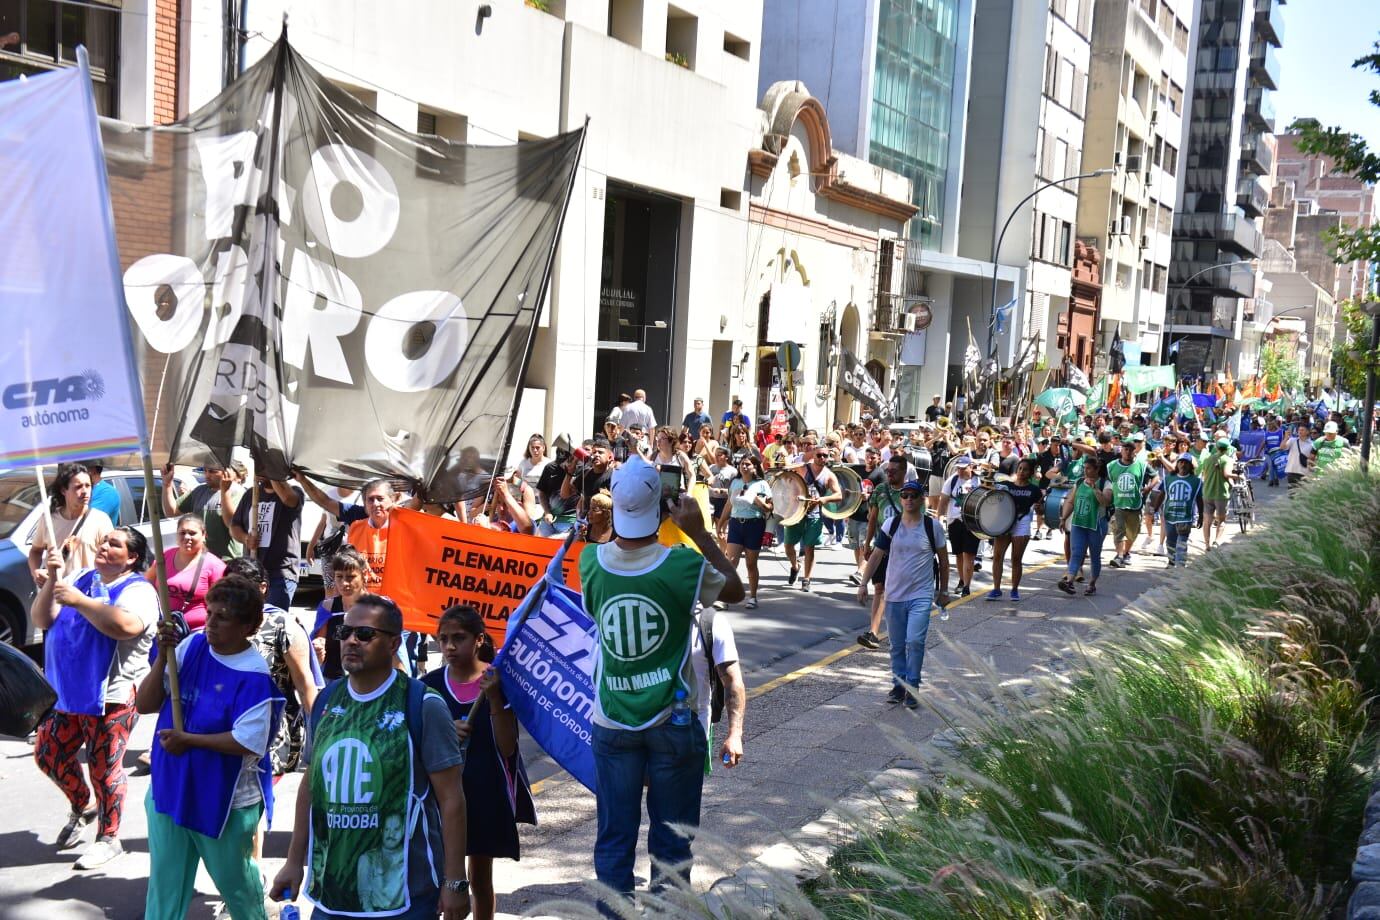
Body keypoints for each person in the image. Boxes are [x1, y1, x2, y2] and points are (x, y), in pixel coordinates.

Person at [580, 455, 744, 916]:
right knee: (671, 845)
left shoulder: (590, 562)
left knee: (614, 837)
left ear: (614, 509)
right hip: (673, 721)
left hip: (612, 720)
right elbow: (734, 592)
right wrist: (698, 532)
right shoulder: (681, 565)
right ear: (663, 506)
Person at [270, 594, 471, 920]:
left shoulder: (421, 705)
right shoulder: (326, 701)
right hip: (332, 896)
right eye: (345, 632)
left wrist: (455, 882)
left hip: (406, 896)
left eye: (364, 634)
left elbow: (452, 800)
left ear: (393, 645)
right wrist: (294, 861)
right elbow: (312, 784)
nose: (350, 640)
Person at [136, 574, 284, 920]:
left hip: (225, 804)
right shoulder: (191, 647)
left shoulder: (254, 676)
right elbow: (144, 704)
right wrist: (163, 656)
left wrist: (189, 740)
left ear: (248, 626)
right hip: (170, 787)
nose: (211, 622)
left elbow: (248, 742)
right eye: (210, 611)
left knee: (238, 889)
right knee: (165, 883)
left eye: (223, 616)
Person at [31, 527, 157, 869]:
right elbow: (42, 618)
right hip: (68, 694)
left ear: (131, 557)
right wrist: (54, 578)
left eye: (114, 544)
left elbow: (125, 627)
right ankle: (82, 805)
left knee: (104, 769)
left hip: (111, 697)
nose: (103, 546)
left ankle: (108, 837)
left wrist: (79, 600)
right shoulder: (82, 576)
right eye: (104, 541)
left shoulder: (138, 590)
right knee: (47, 753)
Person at [424, 606, 536, 920]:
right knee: (442, 874)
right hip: (441, 796)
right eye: (443, 639)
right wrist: (446, 732)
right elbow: (418, 745)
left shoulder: (496, 681)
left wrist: (495, 699)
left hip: (484, 791)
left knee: (480, 878)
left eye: (458, 638)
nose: (449, 646)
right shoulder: (429, 685)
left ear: (479, 640)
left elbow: (507, 746)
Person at [855, 479, 950, 709]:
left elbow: (944, 561)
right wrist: (863, 582)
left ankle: (913, 687)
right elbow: (877, 555)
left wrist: (944, 591)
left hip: (921, 594)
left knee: (915, 641)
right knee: (897, 645)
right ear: (901, 499)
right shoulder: (891, 524)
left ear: (921, 499)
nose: (908, 499)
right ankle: (898, 684)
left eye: (913, 496)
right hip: (894, 594)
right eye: (905, 496)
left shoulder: (932, 526)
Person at [230, 556, 322, 776]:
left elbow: (304, 683)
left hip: (271, 732)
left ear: (262, 588)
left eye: (241, 586)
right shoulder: (220, 623)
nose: (234, 594)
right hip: (227, 727)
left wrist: (321, 735)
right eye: (230, 586)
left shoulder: (281, 625)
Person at [28, 462, 114, 588]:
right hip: (54, 593)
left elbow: (111, 559)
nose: (85, 491)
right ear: (64, 490)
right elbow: (35, 551)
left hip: (86, 595)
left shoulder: (100, 520)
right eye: (78, 487)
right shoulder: (49, 519)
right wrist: (35, 572)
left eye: (88, 486)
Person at [230, 476, 305, 609]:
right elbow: (235, 525)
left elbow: (288, 499)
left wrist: (273, 473)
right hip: (253, 571)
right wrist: (245, 538)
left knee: (272, 620)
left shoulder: (294, 492)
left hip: (281, 572)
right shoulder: (251, 494)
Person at [856, 454, 906, 648]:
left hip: (904, 551)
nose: (889, 474)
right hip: (882, 547)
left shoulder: (911, 492)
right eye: (888, 471)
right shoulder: (880, 490)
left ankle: (900, 631)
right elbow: (872, 519)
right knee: (880, 588)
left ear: (903, 472)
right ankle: (873, 633)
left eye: (893, 471)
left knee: (900, 592)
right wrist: (867, 544)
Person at [151, 513, 226, 632]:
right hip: (164, 630)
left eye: (192, 533)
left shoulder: (215, 566)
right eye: (182, 533)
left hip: (198, 632)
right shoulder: (164, 557)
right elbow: (147, 583)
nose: (187, 537)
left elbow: (222, 605)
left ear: (204, 535)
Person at [783, 448, 842, 593]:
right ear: (813, 455)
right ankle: (795, 566)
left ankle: (806, 579)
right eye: (819, 455)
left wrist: (824, 499)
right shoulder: (803, 468)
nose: (822, 458)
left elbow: (839, 495)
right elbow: (785, 476)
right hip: (797, 511)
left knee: (809, 547)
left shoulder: (829, 475)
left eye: (825, 456)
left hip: (814, 515)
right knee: (788, 545)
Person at [717, 454, 772, 609]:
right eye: (742, 464)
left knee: (751, 563)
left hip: (754, 525)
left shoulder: (762, 484)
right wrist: (721, 524)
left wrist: (756, 499)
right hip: (736, 523)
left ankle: (753, 597)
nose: (744, 467)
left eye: (748, 464)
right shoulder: (735, 482)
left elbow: (769, 508)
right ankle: (725, 598)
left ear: (754, 467)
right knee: (731, 562)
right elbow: (729, 504)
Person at [162, 458, 243, 559]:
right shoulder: (200, 491)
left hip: (227, 561)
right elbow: (171, 511)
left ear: (227, 472)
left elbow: (231, 523)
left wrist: (224, 491)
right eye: (205, 471)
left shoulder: (236, 492)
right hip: (202, 559)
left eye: (213, 472)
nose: (207, 475)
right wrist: (167, 484)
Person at [987, 458, 1042, 602]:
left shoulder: (1034, 490)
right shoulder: (1005, 485)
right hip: (1005, 521)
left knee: (1016, 559)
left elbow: (1041, 511)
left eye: (1025, 469)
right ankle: (996, 589)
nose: (1022, 472)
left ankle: (1014, 589)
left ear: (1030, 473)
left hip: (1022, 522)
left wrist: (1039, 508)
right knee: (998, 556)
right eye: (1020, 468)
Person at [313, 547, 371, 681]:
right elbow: (319, 645)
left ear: (364, 576)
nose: (344, 583)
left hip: (368, 682)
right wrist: (318, 647)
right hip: (333, 681)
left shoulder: (378, 608)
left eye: (351, 577)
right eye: (339, 577)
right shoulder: (327, 607)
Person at [1057, 457, 1112, 597]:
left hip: (1096, 525)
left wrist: (1095, 489)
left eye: (1088, 468)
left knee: (1094, 555)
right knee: (1076, 552)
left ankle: (1092, 583)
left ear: (1097, 469)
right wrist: (1063, 518)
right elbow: (1070, 501)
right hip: (1079, 523)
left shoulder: (1105, 484)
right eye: (1084, 468)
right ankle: (1069, 581)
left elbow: (1106, 502)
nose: (1085, 471)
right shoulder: (1080, 482)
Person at [1106, 437, 1156, 569]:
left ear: (1135, 451)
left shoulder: (1142, 465)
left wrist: (1149, 487)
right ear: (1121, 450)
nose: (1128, 452)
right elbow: (1107, 482)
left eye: (1130, 450)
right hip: (1118, 504)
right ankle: (1119, 556)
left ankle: (1126, 552)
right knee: (1119, 531)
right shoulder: (1111, 466)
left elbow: (1156, 476)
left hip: (1135, 505)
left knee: (1133, 533)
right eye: (1125, 449)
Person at [938, 456, 980, 596]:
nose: (960, 471)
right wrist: (940, 520)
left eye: (963, 468)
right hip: (954, 520)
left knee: (969, 554)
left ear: (970, 467)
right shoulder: (952, 481)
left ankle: (967, 586)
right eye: (958, 468)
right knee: (959, 553)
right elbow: (943, 502)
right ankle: (962, 580)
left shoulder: (978, 480)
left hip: (972, 522)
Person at [1158, 456, 1203, 568]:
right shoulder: (1168, 478)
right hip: (1170, 515)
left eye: (1186, 463)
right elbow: (1161, 494)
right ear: (1177, 464)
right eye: (1181, 462)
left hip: (1185, 517)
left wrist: (1201, 515)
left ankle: (1180, 565)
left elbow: (1199, 499)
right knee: (1170, 541)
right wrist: (1154, 508)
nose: (1183, 465)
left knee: (1182, 542)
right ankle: (1171, 561)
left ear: (1191, 466)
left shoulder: (1196, 481)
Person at [1198, 437, 1237, 551]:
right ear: (1227, 449)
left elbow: (1204, 475)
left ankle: (1206, 544)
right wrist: (1238, 476)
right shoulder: (1228, 460)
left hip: (1207, 492)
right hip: (1221, 493)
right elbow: (1227, 474)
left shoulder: (1208, 459)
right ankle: (1217, 542)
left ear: (1216, 447)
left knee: (1207, 520)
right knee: (1221, 520)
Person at [85, 459, 122, 525]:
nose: (77, 471)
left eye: (81, 468)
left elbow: (88, 521)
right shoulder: (84, 490)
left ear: (92, 470)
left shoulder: (108, 492)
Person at [1283, 420, 1315, 492]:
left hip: (1305, 473)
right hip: (1292, 471)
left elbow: (1313, 459)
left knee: (1302, 496)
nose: (1300, 431)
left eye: (1302, 430)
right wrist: (1285, 438)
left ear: (1308, 432)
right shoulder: (1292, 440)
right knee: (1292, 495)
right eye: (1299, 430)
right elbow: (1282, 447)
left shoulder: (1312, 444)